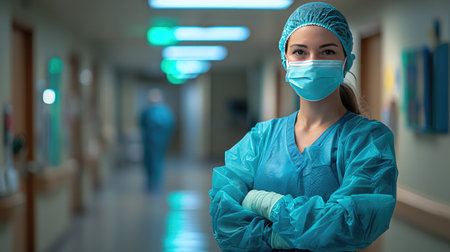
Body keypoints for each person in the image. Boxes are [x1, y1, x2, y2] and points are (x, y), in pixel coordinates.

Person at [209, 2, 398, 251]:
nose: (312, 62)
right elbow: (225, 218)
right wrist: (276, 238)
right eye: (300, 52)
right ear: (285, 61)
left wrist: (269, 205)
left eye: (327, 52)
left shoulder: (366, 141)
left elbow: (350, 224)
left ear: (347, 61)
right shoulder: (260, 139)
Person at [140, 88, 175, 191]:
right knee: (155, 161)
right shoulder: (165, 112)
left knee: (153, 161)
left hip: (153, 142)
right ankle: (155, 181)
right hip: (158, 142)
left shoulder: (149, 112)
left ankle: (153, 181)